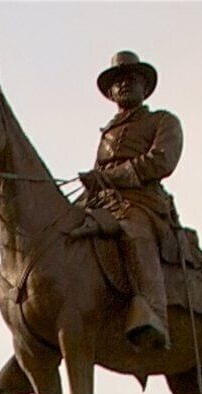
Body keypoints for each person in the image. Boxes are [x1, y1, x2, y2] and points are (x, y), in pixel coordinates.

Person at [82, 51, 183, 350]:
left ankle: (155, 315)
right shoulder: (107, 133)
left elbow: (161, 161)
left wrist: (111, 178)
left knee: (133, 232)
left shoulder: (162, 120)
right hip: (103, 203)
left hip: (142, 203)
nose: (124, 84)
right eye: (117, 81)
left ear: (144, 86)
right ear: (111, 93)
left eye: (131, 79)